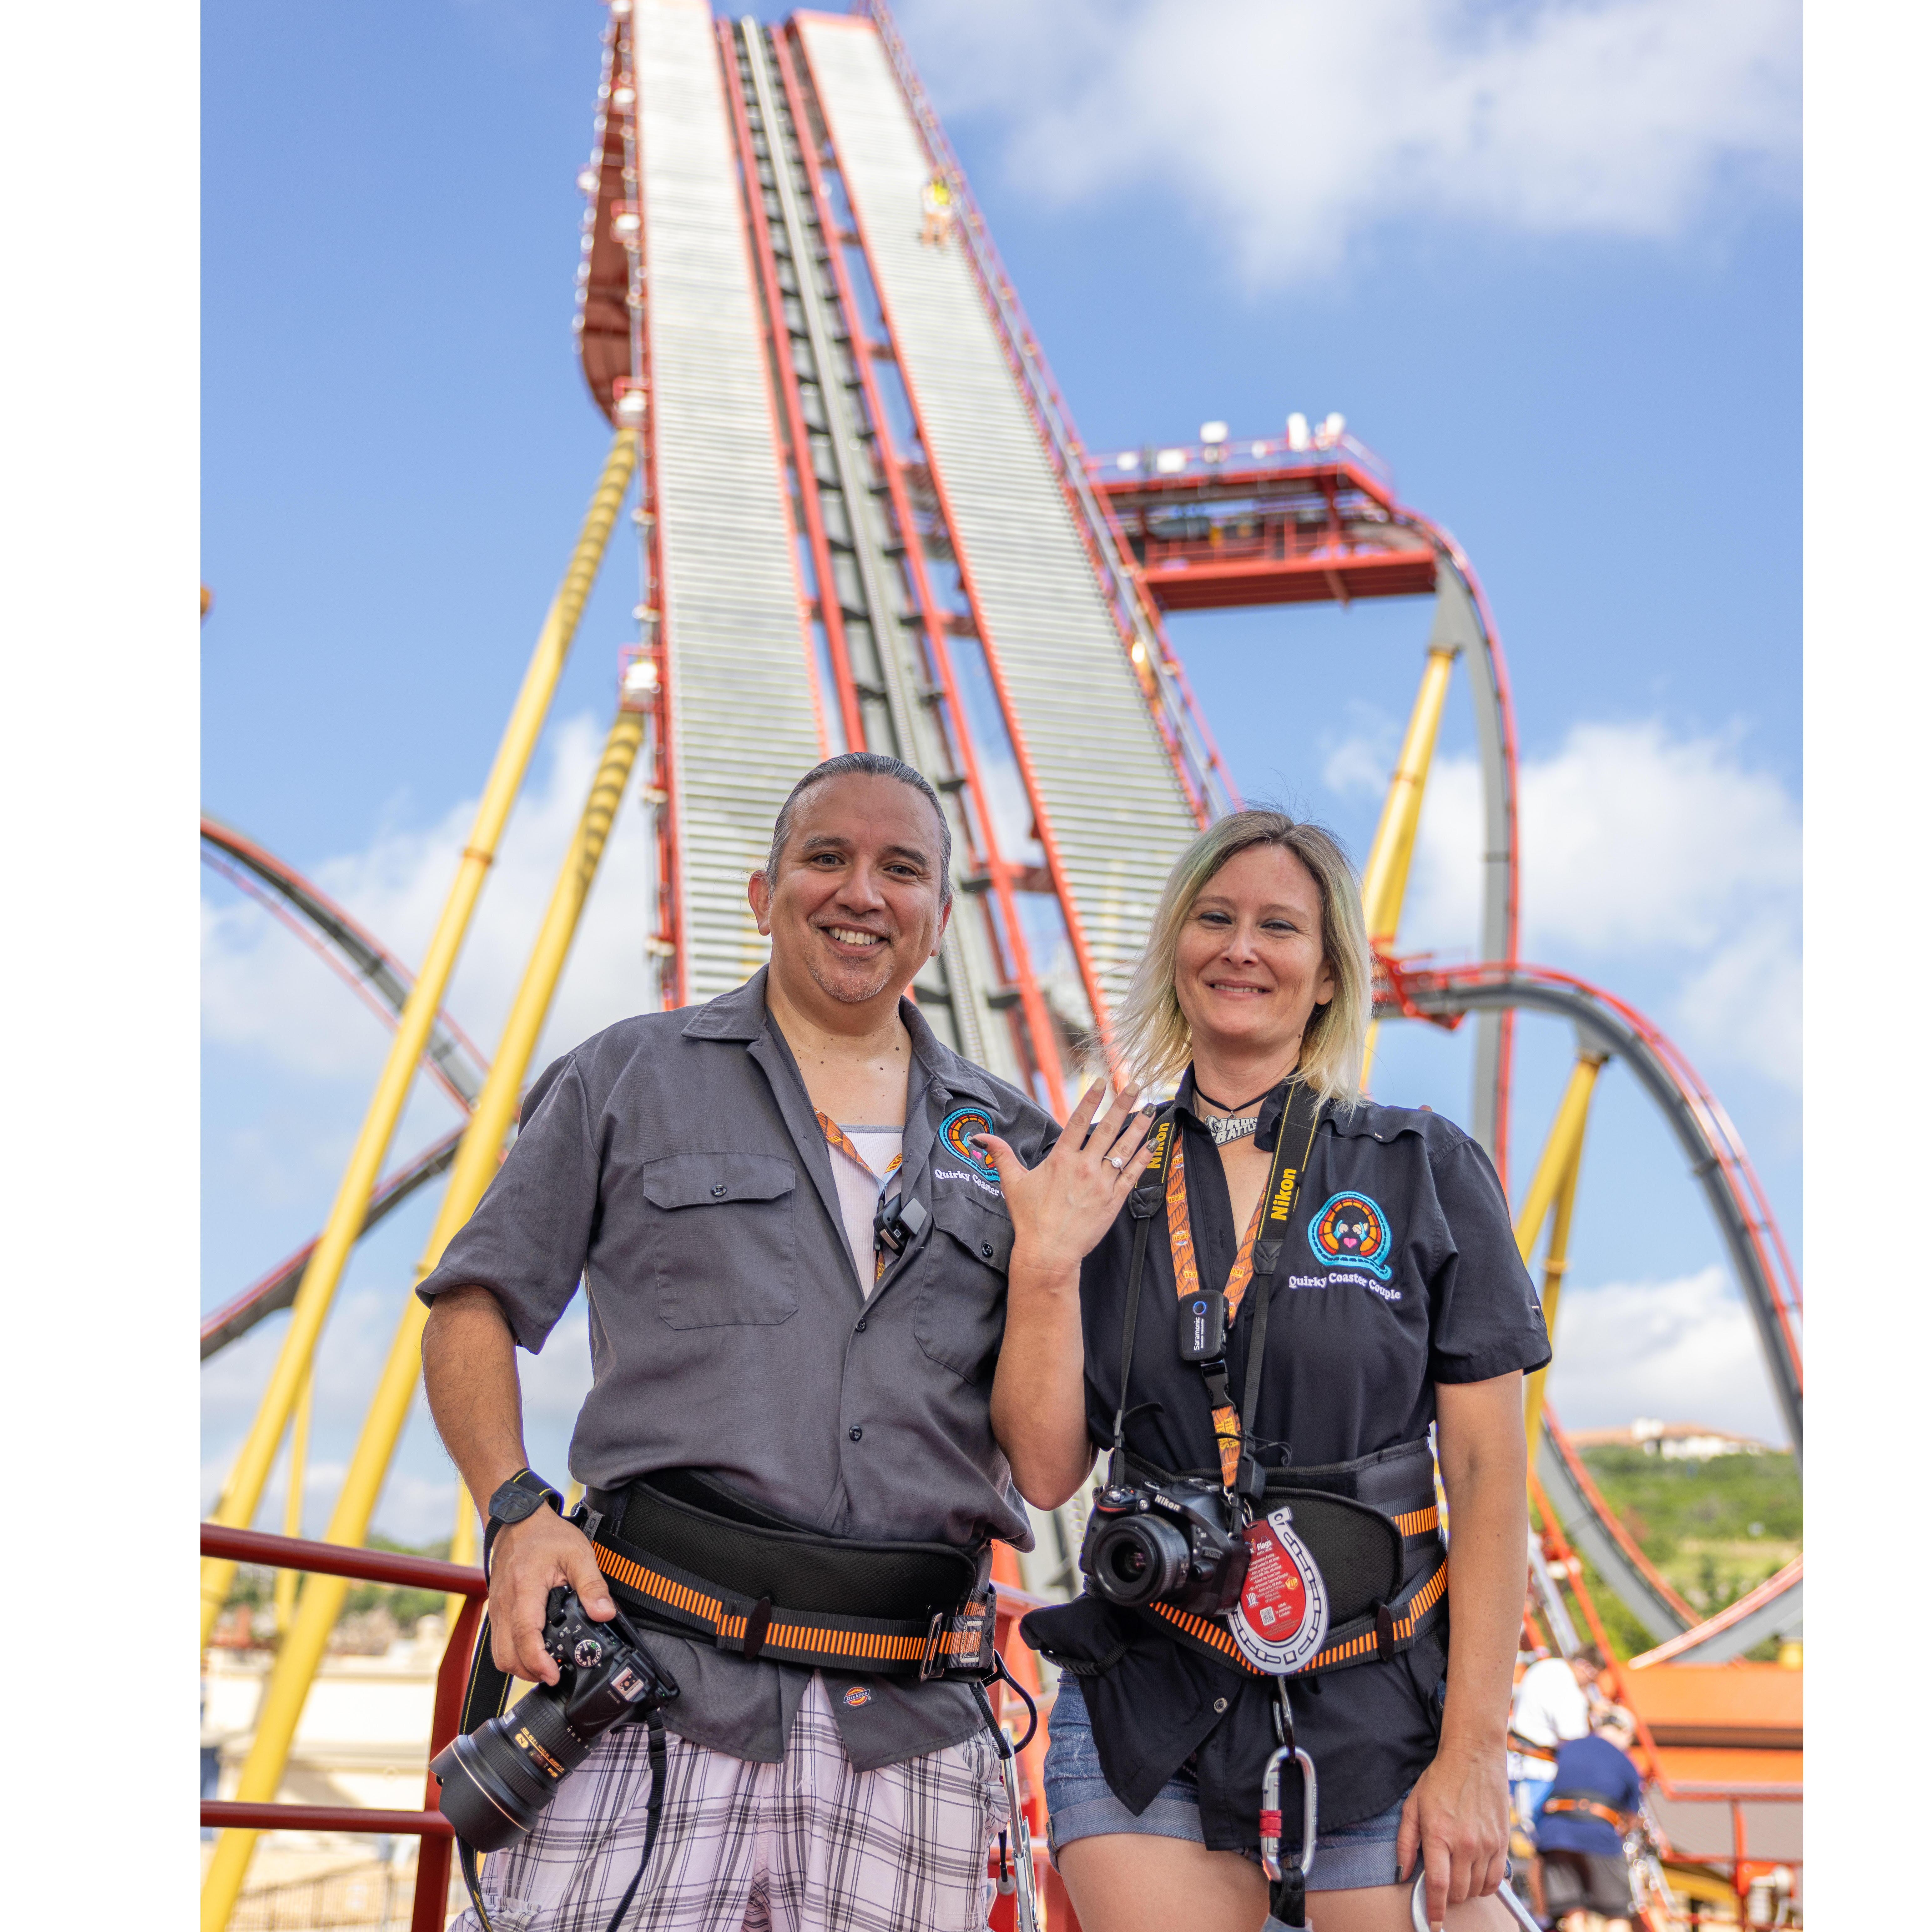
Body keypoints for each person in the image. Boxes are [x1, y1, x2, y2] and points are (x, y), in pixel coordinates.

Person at [418, 751, 1097, 1932]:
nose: (861, 892)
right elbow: (471, 1303)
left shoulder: (1023, 1147)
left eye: (901, 870)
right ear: (761, 892)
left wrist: (1047, 1268)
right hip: (657, 1698)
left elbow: (1047, 1466)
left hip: (913, 1727)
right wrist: (515, 1510)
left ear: (938, 918)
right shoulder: (626, 1076)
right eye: (826, 857)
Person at [982, 808, 1554, 1932]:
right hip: (1151, 1697)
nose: (1241, 948)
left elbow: (1490, 1478)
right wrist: (1042, 1265)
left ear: (1329, 974)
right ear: (1176, 948)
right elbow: (1045, 1474)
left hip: (1381, 1696)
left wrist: (1476, 1753)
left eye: (1279, 927)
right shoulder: (1102, 1176)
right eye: (1215, 919)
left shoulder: (1420, 1168)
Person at [1533, 1708, 1643, 1931]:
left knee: (1573, 1910)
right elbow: (1632, 1817)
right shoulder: (1626, 1761)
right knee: (1617, 1912)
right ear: (1626, 1733)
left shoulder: (1570, 1747)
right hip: (1599, 1833)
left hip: (1556, 1833)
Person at [1511, 1650, 1599, 1834]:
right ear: (1587, 1667)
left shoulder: (1544, 1667)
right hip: (1537, 1770)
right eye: (1593, 1678)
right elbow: (1575, 1741)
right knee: (1528, 1835)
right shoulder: (1568, 1687)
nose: (1590, 1684)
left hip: (1515, 1761)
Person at [920, 167, 954, 247]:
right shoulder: (932, 183)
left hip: (941, 209)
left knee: (944, 226)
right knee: (930, 226)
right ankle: (928, 242)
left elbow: (951, 198)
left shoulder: (947, 185)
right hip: (932, 208)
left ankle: (942, 243)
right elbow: (925, 193)